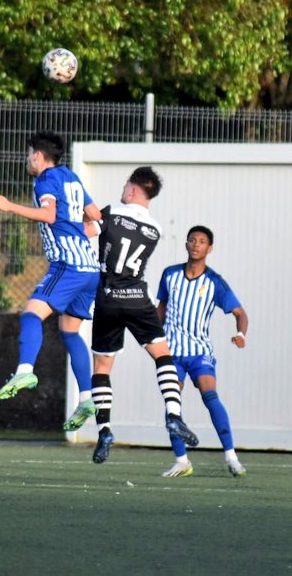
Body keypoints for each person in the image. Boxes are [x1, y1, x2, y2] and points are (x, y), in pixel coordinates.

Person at [0, 131, 102, 432]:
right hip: (89, 267)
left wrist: (8, 206)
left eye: (28, 154)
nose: (27, 159)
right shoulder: (71, 177)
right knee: (70, 332)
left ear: (38, 155)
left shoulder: (45, 180)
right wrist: (73, 231)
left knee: (32, 315)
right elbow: (95, 218)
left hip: (68, 264)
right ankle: (87, 397)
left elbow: (48, 215)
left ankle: (24, 370)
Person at [88, 167, 199, 464]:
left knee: (102, 366)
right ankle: (174, 415)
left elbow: (86, 231)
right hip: (138, 298)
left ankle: (104, 430)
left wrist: (82, 216)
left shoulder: (110, 213)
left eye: (126, 186)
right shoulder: (156, 229)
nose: (122, 190)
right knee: (163, 355)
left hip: (108, 298)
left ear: (134, 189)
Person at [155, 225, 249, 478]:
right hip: (171, 352)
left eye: (202, 241)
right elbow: (161, 309)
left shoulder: (215, 282)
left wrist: (241, 334)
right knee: (172, 401)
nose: (196, 244)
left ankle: (231, 457)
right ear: (186, 244)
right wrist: (152, 335)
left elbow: (240, 313)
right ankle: (182, 460)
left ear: (210, 248)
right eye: (192, 240)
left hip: (199, 352)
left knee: (211, 396)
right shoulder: (169, 275)